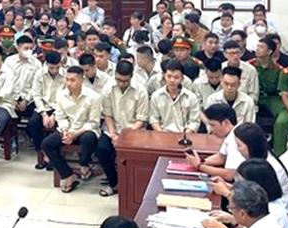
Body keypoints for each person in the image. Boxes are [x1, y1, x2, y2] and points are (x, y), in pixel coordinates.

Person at [42, 66, 101, 193]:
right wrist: (65, 131)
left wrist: (75, 134)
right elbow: (61, 117)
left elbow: (94, 122)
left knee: (88, 138)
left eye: (73, 80)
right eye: (67, 79)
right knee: (47, 144)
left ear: (82, 80)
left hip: (84, 130)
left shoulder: (93, 97)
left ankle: (84, 164)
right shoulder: (61, 95)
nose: (69, 83)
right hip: (68, 129)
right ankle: (68, 174)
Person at [97, 61, 148, 197]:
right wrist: (113, 134)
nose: (121, 83)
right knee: (102, 149)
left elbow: (141, 119)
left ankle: (134, 185)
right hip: (113, 129)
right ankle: (114, 183)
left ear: (131, 76)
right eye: (118, 79)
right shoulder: (108, 88)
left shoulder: (141, 91)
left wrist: (124, 136)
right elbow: (107, 114)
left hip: (134, 131)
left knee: (136, 153)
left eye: (125, 81)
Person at [27, 51, 66, 170]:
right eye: (51, 68)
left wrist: (54, 114)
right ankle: (44, 153)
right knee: (32, 124)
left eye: (57, 67)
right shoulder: (39, 74)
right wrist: (44, 114)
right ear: (46, 64)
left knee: (61, 127)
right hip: (43, 107)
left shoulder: (65, 74)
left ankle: (55, 157)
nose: (54, 70)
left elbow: (65, 97)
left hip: (60, 108)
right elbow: (36, 95)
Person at [149, 60, 200, 133]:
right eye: (169, 76)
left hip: (184, 135)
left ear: (182, 78)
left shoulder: (191, 97)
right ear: (164, 76)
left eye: (176, 77)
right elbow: (154, 119)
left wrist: (185, 135)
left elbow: (194, 122)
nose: (172, 80)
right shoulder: (156, 96)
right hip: (162, 133)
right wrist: (161, 133)